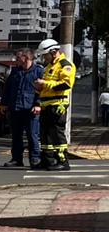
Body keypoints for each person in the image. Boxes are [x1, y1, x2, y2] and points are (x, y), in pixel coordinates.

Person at [34, 38, 76, 170]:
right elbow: (48, 86)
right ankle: (48, 160)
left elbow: (65, 84)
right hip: (46, 104)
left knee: (57, 133)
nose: (44, 58)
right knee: (45, 134)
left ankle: (63, 162)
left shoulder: (65, 65)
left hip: (58, 104)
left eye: (45, 55)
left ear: (53, 52)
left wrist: (44, 83)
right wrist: (39, 88)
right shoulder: (49, 67)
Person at [0, 49, 43, 168]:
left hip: (31, 110)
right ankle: (16, 159)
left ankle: (35, 158)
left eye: (18, 58)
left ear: (26, 58)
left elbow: (43, 90)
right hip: (15, 108)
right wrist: (4, 103)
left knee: (32, 135)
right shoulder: (15, 72)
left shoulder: (39, 71)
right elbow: (7, 89)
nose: (16, 60)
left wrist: (38, 104)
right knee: (16, 136)